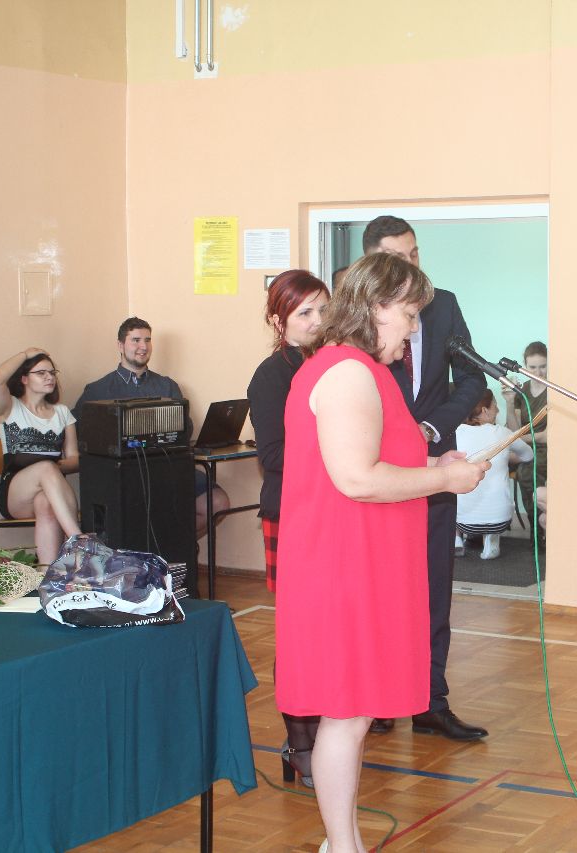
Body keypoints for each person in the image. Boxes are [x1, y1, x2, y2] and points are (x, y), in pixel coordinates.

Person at [275, 252, 488, 853]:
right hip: (343, 565)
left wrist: (434, 461)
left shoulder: (361, 370)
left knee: (355, 714)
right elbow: (358, 478)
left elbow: (376, 457)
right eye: (410, 315)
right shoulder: (347, 371)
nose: (414, 330)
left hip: (359, 559)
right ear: (375, 308)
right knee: (346, 714)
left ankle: (340, 843)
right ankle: (342, 846)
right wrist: (444, 480)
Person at [364, 214, 488, 741]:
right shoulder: (357, 320)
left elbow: (472, 378)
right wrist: (398, 433)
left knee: (434, 585)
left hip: (437, 463)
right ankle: (378, 699)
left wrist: (433, 427)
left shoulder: (444, 304)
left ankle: (430, 700)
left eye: (415, 254)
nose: (412, 265)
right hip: (379, 469)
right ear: (372, 262)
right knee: (380, 589)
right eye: (398, 257)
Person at [246, 269, 331, 789]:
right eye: (305, 313)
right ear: (279, 320)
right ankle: (299, 742)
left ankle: (326, 731)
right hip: (292, 513)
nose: (317, 320)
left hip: (329, 511)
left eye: (323, 309)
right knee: (299, 632)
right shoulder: (271, 375)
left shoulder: (331, 362)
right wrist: (339, 453)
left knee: (327, 627)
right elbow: (273, 456)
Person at [74, 317, 229, 540]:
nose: (143, 346)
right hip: (125, 476)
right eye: (136, 340)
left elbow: (186, 429)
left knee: (218, 503)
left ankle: (171, 549)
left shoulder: (167, 386)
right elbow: (80, 433)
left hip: (170, 469)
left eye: (147, 340)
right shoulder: (97, 390)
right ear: (120, 345)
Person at [0, 348, 83, 564]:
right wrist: (25, 355)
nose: (49, 377)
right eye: (41, 373)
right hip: (16, 495)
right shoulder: (10, 407)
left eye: (52, 372)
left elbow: (74, 459)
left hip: (51, 491)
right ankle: (78, 540)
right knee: (46, 468)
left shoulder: (62, 412)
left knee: (45, 503)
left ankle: (47, 573)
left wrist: (53, 469)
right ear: (24, 379)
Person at [454, 390, 534, 560]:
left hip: (463, 522)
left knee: (448, 483)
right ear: (485, 410)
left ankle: (456, 539)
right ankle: (491, 538)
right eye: (495, 406)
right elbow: (529, 455)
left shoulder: (456, 433)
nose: (497, 410)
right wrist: (504, 457)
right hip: (501, 520)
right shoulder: (503, 433)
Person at [502, 340, 548, 525]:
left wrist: (520, 438)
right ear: (525, 366)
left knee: (527, 471)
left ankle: (538, 523)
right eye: (533, 367)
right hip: (524, 448)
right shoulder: (522, 391)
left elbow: (546, 436)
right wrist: (509, 402)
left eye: (543, 366)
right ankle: (537, 522)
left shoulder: (554, 391)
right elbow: (513, 431)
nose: (538, 372)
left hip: (545, 449)